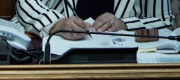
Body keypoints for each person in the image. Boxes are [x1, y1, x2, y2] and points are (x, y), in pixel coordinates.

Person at [15, 0, 174, 38]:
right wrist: (58, 24)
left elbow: (164, 22)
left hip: (124, 64)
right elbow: (25, 3)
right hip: (54, 53)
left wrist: (124, 24)